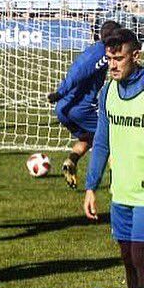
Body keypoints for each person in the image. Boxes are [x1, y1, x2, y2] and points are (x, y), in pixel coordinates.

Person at [83, 28, 144, 288]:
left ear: (136, 55)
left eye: (119, 58)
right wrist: (91, 185)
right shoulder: (108, 92)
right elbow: (102, 142)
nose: (112, 65)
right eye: (109, 58)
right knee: (129, 264)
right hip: (121, 194)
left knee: (140, 259)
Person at [48, 20, 120, 189]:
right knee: (112, 136)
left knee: (88, 137)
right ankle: (117, 180)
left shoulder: (96, 50)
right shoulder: (101, 54)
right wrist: (60, 92)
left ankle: (71, 161)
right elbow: (78, 71)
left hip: (64, 109)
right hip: (80, 108)